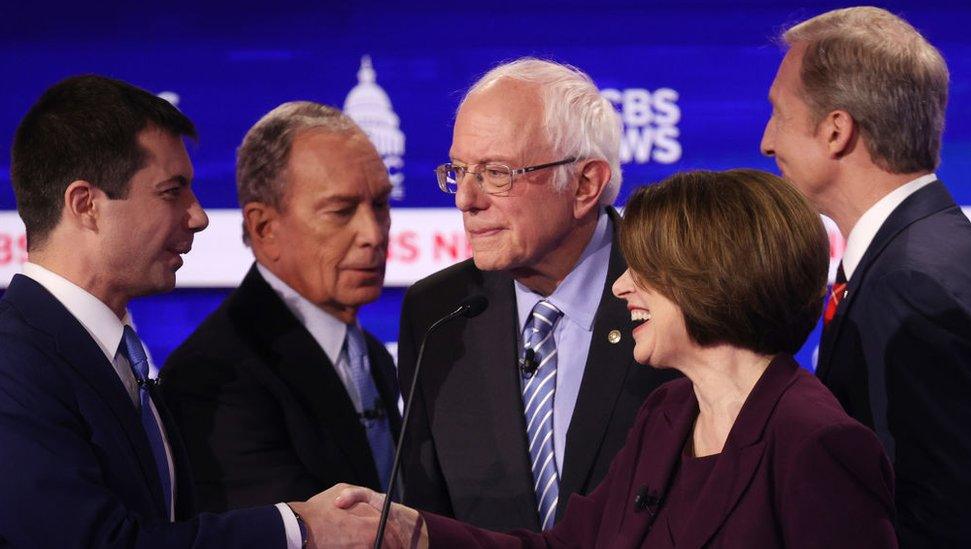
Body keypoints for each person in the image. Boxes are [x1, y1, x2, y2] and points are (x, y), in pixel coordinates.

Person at [335, 169, 898, 547]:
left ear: (711, 277)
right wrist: (414, 530)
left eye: (647, 268)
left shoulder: (816, 442)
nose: (623, 286)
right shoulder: (669, 412)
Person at [0, 75, 382, 548]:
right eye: (171, 191)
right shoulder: (12, 361)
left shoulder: (117, 356)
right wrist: (299, 528)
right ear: (86, 205)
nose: (198, 216)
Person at [397, 58, 674, 532]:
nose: (467, 198)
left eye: (497, 173)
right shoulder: (438, 313)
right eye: (459, 170)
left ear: (586, 184)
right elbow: (430, 517)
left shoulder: (678, 293)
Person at [761, 7, 971, 545]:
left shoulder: (910, 286)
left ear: (837, 130)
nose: (767, 141)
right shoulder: (926, 254)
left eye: (779, 115)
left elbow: (936, 516)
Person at [161, 101, 400, 513]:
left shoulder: (371, 356)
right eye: (341, 211)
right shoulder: (213, 376)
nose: (373, 234)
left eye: (379, 204)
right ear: (264, 228)